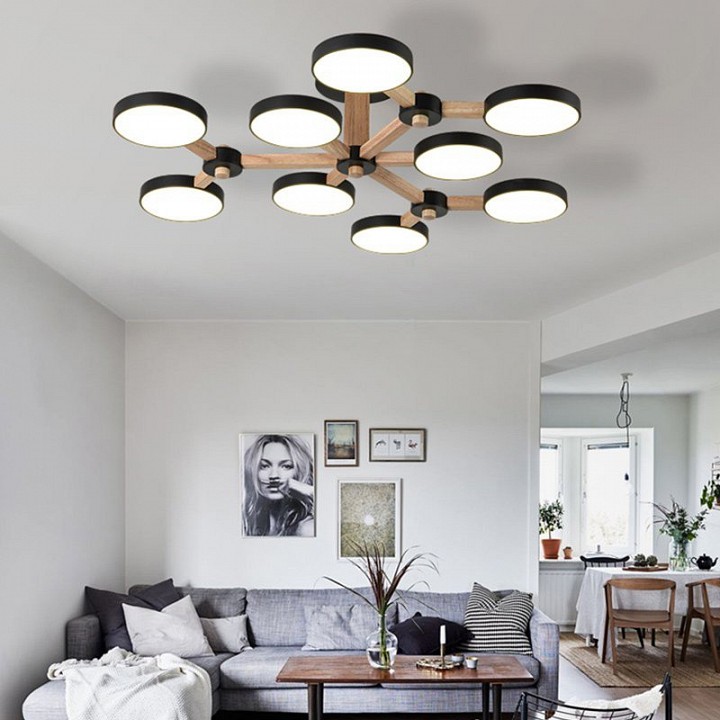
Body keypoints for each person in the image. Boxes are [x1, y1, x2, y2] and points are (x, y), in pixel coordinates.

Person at [242, 434, 314, 536]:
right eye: (264, 466)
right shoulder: (247, 524)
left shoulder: (307, 528)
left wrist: (309, 491)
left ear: (300, 471)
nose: (274, 475)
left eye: (286, 466)